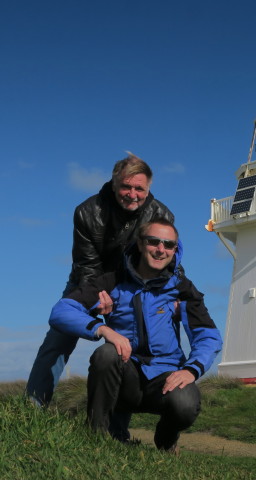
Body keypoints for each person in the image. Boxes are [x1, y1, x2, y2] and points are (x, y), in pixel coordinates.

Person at [27, 153, 175, 438]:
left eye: (139, 189)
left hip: (134, 287)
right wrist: (98, 298)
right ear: (114, 183)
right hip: (88, 280)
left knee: (127, 351)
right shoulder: (87, 211)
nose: (132, 194)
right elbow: (87, 263)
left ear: (148, 188)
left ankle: (116, 431)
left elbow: (163, 260)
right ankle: (32, 410)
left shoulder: (162, 215)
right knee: (58, 338)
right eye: (126, 187)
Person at [49, 219, 222, 451]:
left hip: (164, 378)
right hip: (124, 373)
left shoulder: (182, 289)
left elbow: (208, 336)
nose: (161, 250)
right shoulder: (112, 281)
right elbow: (61, 311)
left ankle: (166, 440)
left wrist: (191, 369)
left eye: (169, 245)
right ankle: (97, 438)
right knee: (106, 354)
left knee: (186, 404)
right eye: (154, 242)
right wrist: (102, 329)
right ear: (140, 244)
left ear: (175, 250)